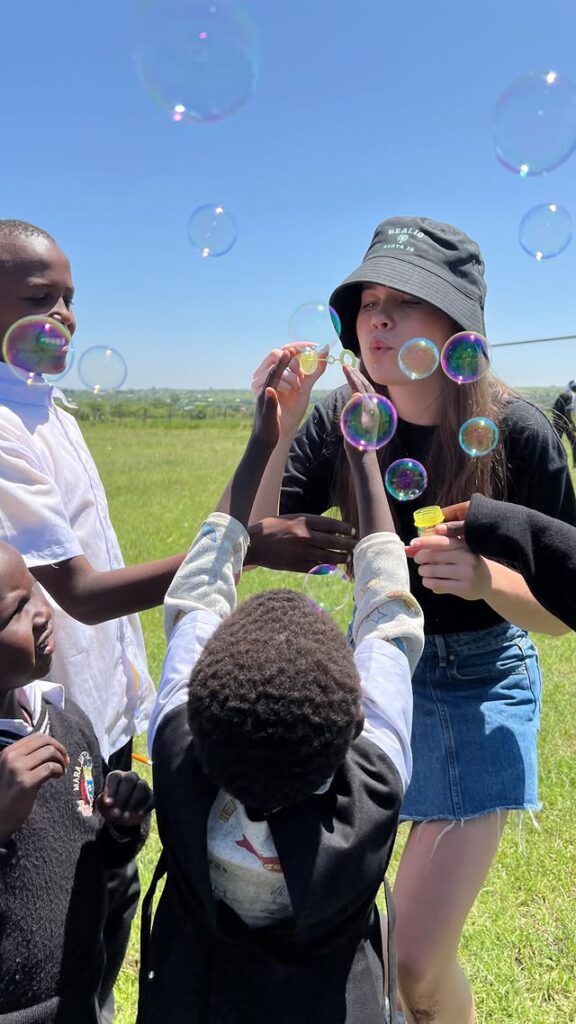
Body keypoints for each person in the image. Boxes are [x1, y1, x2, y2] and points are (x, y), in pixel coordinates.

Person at [0, 218, 356, 1008]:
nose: (65, 316)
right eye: (39, 298)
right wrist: (250, 548)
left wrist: (270, 434)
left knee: (106, 911)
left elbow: (214, 546)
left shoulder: (51, 412)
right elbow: (83, 593)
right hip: (47, 731)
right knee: (55, 944)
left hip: (101, 718)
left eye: (71, 298)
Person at [249, 216, 576, 1024]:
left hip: (482, 683)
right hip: (378, 670)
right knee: (355, 940)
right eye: (369, 303)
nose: (379, 320)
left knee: (418, 963)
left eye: (406, 302)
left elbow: (561, 617)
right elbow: (256, 535)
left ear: (457, 325)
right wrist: (276, 427)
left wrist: (487, 579)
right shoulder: (341, 419)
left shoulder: (520, 434)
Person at [137, 353, 424, 1024]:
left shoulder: (179, 756)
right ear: (353, 723)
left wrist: (261, 443)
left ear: (202, 705)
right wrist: (363, 456)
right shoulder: (371, 791)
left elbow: (197, 597)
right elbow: (390, 615)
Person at [0, 539, 154, 1022]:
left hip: (78, 1001)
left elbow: (91, 858)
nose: (43, 613)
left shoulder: (65, 721)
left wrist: (120, 827)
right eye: (15, 611)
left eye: (35, 591)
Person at [414, 495, 576, 631]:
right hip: (403, 650)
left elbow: (561, 617)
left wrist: (487, 579)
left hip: (497, 648)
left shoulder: (530, 465)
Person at [551, 379, 576, 465]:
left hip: (557, 421)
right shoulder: (571, 395)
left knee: (555, 443)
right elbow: (568, 412)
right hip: (564, 422)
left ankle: (553, 462)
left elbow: (553, 408)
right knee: (574, 442)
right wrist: (572, 424)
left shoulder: (563, 394)